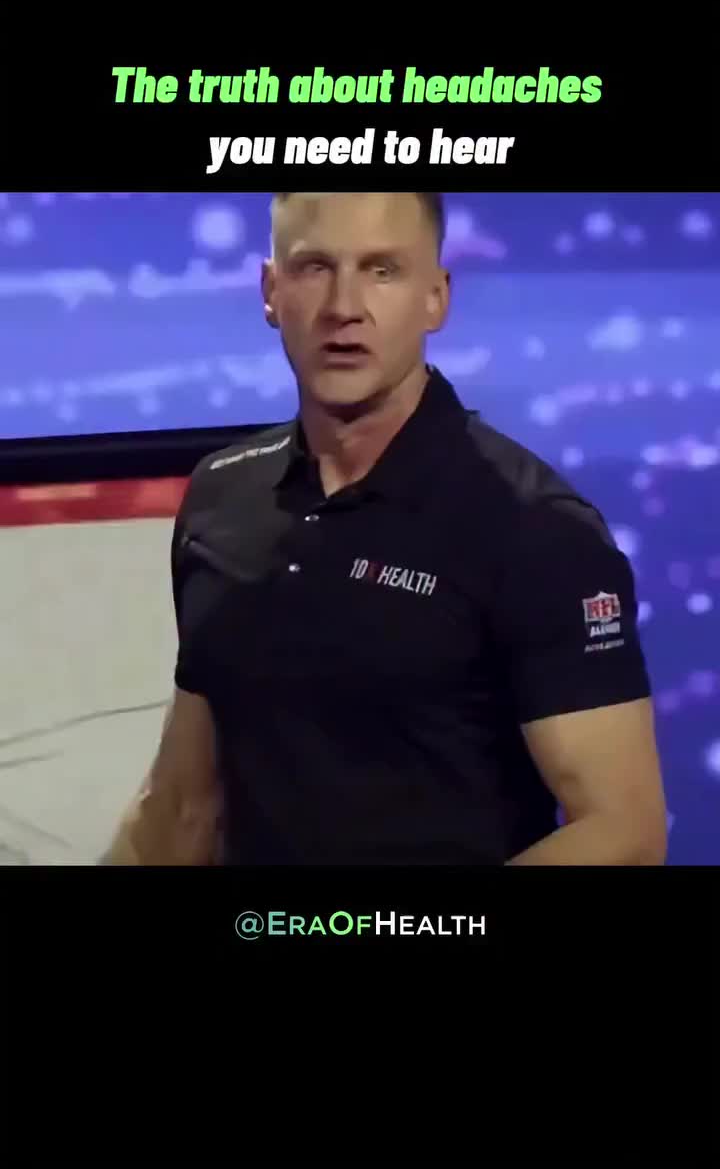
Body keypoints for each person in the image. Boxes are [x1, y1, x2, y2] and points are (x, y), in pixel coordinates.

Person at [103, 191, 667, 867]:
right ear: (270, 291)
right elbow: (181, 807)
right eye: (315, 267)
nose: (344, 306)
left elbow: (623, 834)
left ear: (436, 298)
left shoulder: (535, 527)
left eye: (382, 270)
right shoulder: (221, 498)